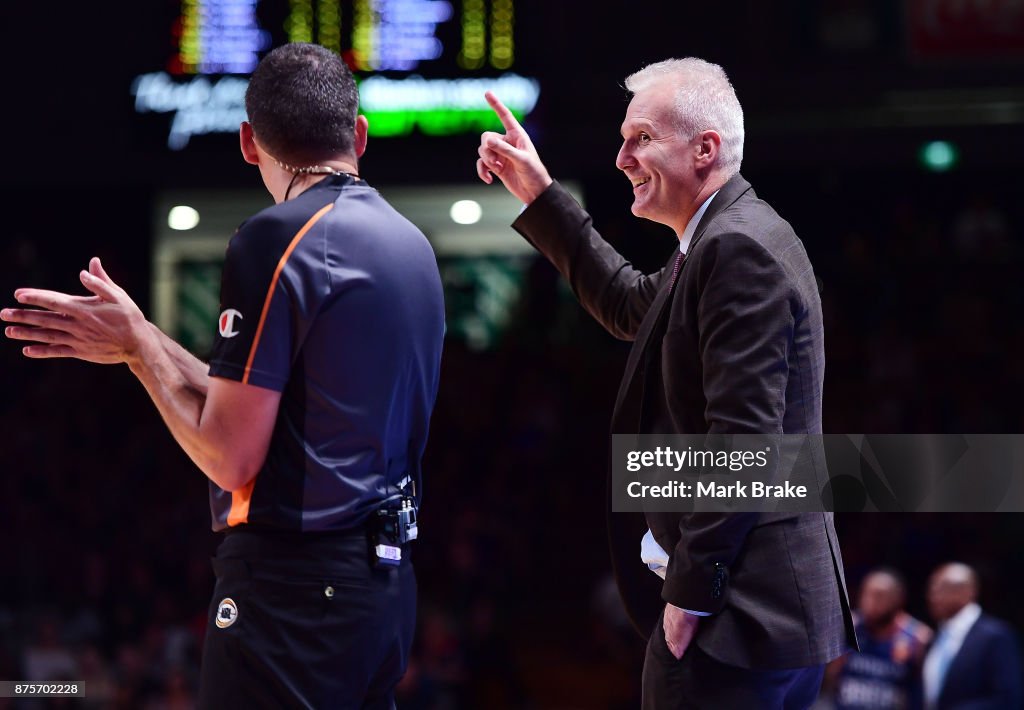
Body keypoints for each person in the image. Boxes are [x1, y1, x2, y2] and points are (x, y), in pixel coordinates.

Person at [3, 43, 445, 708]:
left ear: (247, 142)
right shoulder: (412, 246)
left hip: (292, 593)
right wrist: (145, 337)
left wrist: (137, 355)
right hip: (380, 594)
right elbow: (282, 404)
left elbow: (230, 457)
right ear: (358, 134)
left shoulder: (275, 237)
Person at [476, 58, 856, 708]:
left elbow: (744, 442)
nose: (622, 157)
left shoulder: (736, 249)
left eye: (642, 138)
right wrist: (542, 195)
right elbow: (629, 304)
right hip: (763, 612)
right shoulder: (723, 236)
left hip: (737, 615)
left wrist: (689, 594)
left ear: (706, 149)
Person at [922, 562, 1023, 710]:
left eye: (943, 588)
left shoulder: (995, 636)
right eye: (932, 588)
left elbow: (1006, 699)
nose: (933, 596)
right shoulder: (933, 637)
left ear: (969, 591)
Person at [828, 568, 932, 709]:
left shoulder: (917, 638)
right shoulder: (847, 629)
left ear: (898, 599)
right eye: (866, 594)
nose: (870, 602)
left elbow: (921, 692)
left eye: (879, 596)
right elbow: (829, 680)